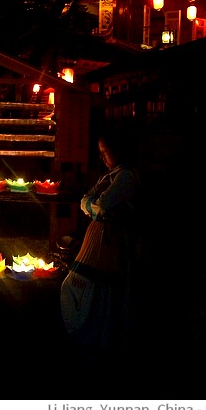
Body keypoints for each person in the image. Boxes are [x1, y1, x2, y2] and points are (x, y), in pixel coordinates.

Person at [60, 126, 141, 367]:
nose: (102, 157)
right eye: (100, 152)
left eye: (106, 152)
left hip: (110, 244)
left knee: (99, 294)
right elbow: (86, 200)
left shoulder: (126, 177)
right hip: (97, 239)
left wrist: (95, 206)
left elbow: (101, 205)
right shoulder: (109, 176)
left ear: (119, 150)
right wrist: (94, 206)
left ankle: (97, 345)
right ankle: (88, 340)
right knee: (81, 288)